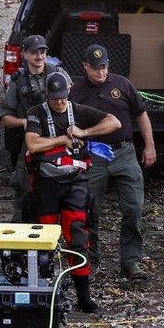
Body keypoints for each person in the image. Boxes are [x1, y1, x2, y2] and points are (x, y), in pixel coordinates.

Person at [24, 72, 122, 313]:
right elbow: (33, 144)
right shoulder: (36, 112)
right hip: (46, 183)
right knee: (44, 237)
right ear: (47, 96)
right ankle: (44, 288)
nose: (59, 102)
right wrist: (62, 140)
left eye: (62, 97)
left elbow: (114, 122)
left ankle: (83, 293)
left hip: (75, 183)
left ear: (68, 92)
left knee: (77, 235)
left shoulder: (78, 110)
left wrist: (83, 133)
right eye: (54, 98)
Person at [68, 44, 157, 281]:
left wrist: (149, 145)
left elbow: (141, 114)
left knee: (134, 206)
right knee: (89, 209)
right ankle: (90, 262)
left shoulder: (122, 84)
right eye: (96, 68)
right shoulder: (75, 92)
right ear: (85, 66)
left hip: (123, 152)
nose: (101, 72)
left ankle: (131, 261)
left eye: (105, 67)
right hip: (93, 154)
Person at [0, 35, 68, 222]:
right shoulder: (18, 80)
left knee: (62, 187)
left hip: (58, 140)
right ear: (24, 55)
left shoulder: (59, 75)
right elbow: (5, 118)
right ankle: (19, 234)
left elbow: (72, 105)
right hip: (31, 143)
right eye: (34, 52)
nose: (39, 56)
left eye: (43, 52)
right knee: (23, 186)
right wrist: (24, 123)